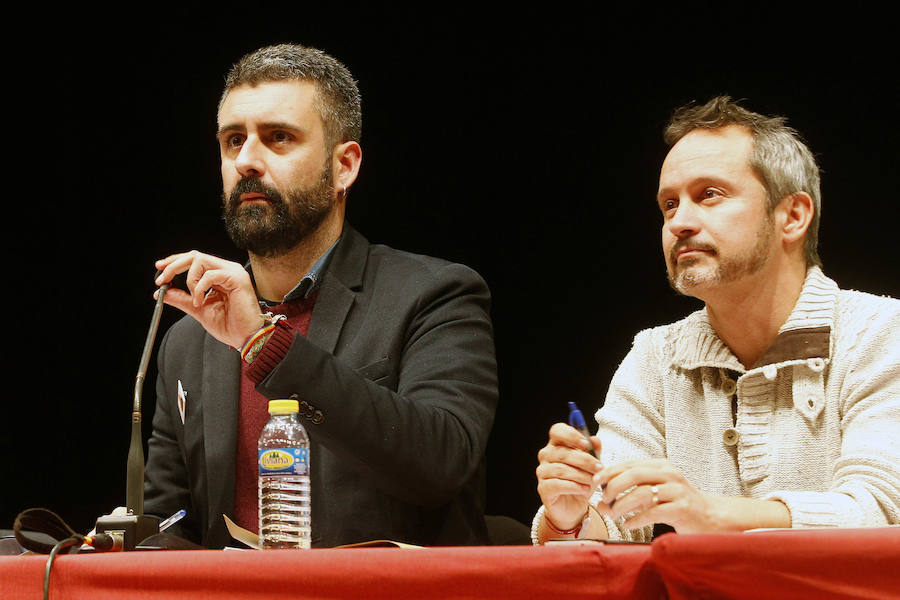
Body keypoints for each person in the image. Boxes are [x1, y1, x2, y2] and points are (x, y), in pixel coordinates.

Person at [143, 44, 498, 549]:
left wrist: (261, 341)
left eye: (278, 138)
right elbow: (169, 521)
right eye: (232, 140)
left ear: (344, 166)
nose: (246, 160)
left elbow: (439, 465)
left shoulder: (435, 295)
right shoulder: (187, 340)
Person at [533, 96, 900, 543]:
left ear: (793, 216)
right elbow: (613, 518)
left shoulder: (882, 332)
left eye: (709, 195)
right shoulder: (656, 355)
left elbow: (882, 511)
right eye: (669, 205)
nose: (679, 222)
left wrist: (710, 514)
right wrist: (572, 516)